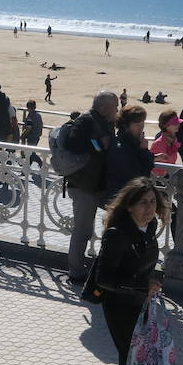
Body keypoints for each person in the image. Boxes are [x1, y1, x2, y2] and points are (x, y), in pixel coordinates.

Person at [88, 177, 171, 365]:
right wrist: (142, 285)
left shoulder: (149, 228)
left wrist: (153, 280)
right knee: (129, 362)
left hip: (140, 302)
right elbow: (104, 279)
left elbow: (145, 265)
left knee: (139, 359)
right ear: (129, 206)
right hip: (119, 305)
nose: (149, 208)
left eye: (152, 202)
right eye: (143, 203)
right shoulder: (117, 234)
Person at [62, 91, 120, 280]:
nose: (117, 110)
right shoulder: (86, 121)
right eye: (115, 107)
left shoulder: (103, 121)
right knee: (83, 231)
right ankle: (76, 271)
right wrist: (98, 145)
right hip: (83, 186)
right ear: (104, 108)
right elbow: (72, 144)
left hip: (95, 185)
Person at [105, 105, 156, 200]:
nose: (141, 128)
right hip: (122, 197)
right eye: (137, 125)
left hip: (131, 195)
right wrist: (144, 151)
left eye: (142, 123)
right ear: (126, 126)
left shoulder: (133, 142)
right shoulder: (120, 146)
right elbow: (139, 175)